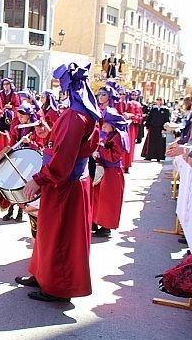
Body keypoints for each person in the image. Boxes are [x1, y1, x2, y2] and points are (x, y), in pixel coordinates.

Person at [18, 63, 100, 302]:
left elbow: (63, 157)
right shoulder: (81, 111)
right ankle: (42, 274)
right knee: (47, 232)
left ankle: (57, 286)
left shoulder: (75, 116)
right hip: (69, 183)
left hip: (64, 185)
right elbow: (66, 144)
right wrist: (49, 134)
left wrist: (39, 179)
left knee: (59, 236)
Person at [92, 107, 129, 237]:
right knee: (98, 198)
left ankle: (106, 226)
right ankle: (96, 221)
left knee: (108, 201)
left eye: (105, 125)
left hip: (112, 173)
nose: (103, 128)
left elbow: (113, 156)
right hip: (106, 170)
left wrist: (100, 148)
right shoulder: (111, 135)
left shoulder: (118, 137)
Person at [121, 90, 144, 173]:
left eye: (124, 94)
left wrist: (131, 116)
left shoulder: (136, 104)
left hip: (130, 128)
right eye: (120, 94)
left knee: (127, 146)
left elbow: (140, 117)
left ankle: (126, 165)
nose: (122, 95)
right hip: (117, 127)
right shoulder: (115, 102)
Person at [141, 96, 170, 162]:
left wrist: (164, 128)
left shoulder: (165, 110)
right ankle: (149, 156)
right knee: (151, 142)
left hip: (160, 128)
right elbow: (150, 117)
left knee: (160, 142)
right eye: (157, 99)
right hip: (153, 127)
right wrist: (147, 126)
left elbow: (167, 119)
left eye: (160, 99)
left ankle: (159, 156)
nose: (159, 101)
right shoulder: (153, 108)